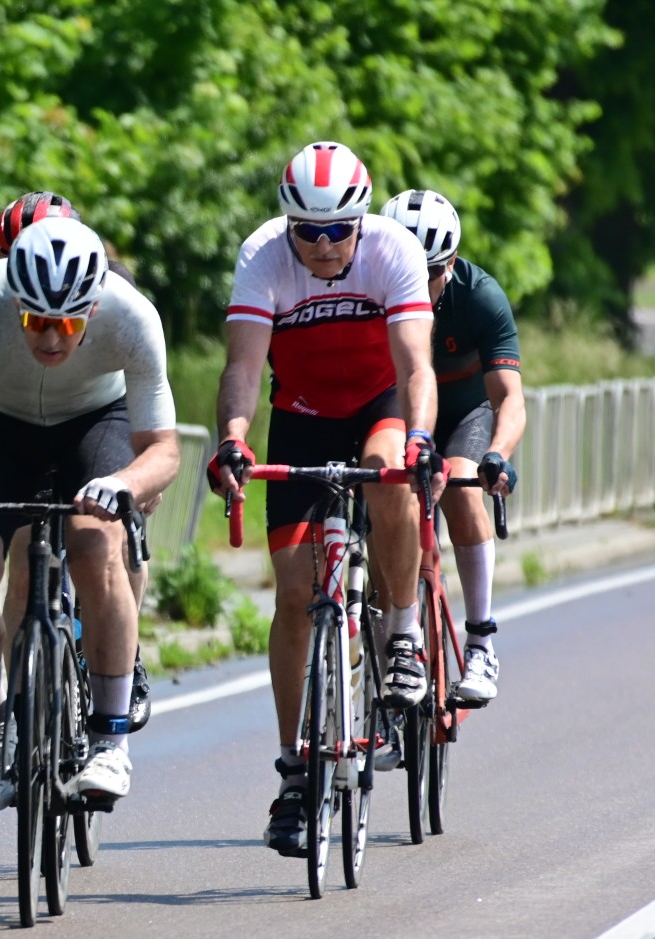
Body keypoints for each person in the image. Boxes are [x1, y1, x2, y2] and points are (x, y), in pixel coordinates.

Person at [0, 216, 181, 809]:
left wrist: (123, 483)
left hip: (94, 425)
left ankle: (110, 741)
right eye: (35, 321)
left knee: (97, 545)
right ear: (15, 301)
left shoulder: (131, 315)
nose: (50, 339)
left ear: (93, 308)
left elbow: (163, 449)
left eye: (67, 324)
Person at [206, 141, 438, 858]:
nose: (325, 244)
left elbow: (415, 365)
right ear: (289, 225)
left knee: (389, 470)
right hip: (302, 416)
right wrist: (233, 439)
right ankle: (293, 772)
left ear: (360, 222)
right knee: (293, 594)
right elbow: (244, 367)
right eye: (309, 231)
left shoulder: (392, 250)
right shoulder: (263, 256)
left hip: (378, 405)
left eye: (339, 229)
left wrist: (422, 437)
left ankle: (403, 633)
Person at [0, 193, 155, 733]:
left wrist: (139, 475)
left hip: (102, 419)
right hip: (24, 427)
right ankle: (20, 711)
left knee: (118, 541)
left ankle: (127, 654)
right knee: (22, 568)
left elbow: (147, 387)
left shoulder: (114, 287)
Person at [378, 188, 522, 705]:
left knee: (462, 489)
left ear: (453, 263)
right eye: (406, 271)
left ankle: (481, 642)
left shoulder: (480, 297)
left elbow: (509, 398)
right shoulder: (369, 292)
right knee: (383, 509)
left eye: (432, 272)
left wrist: (498, 454)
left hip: (463, 415)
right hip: (398, 415)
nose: (418, 284)